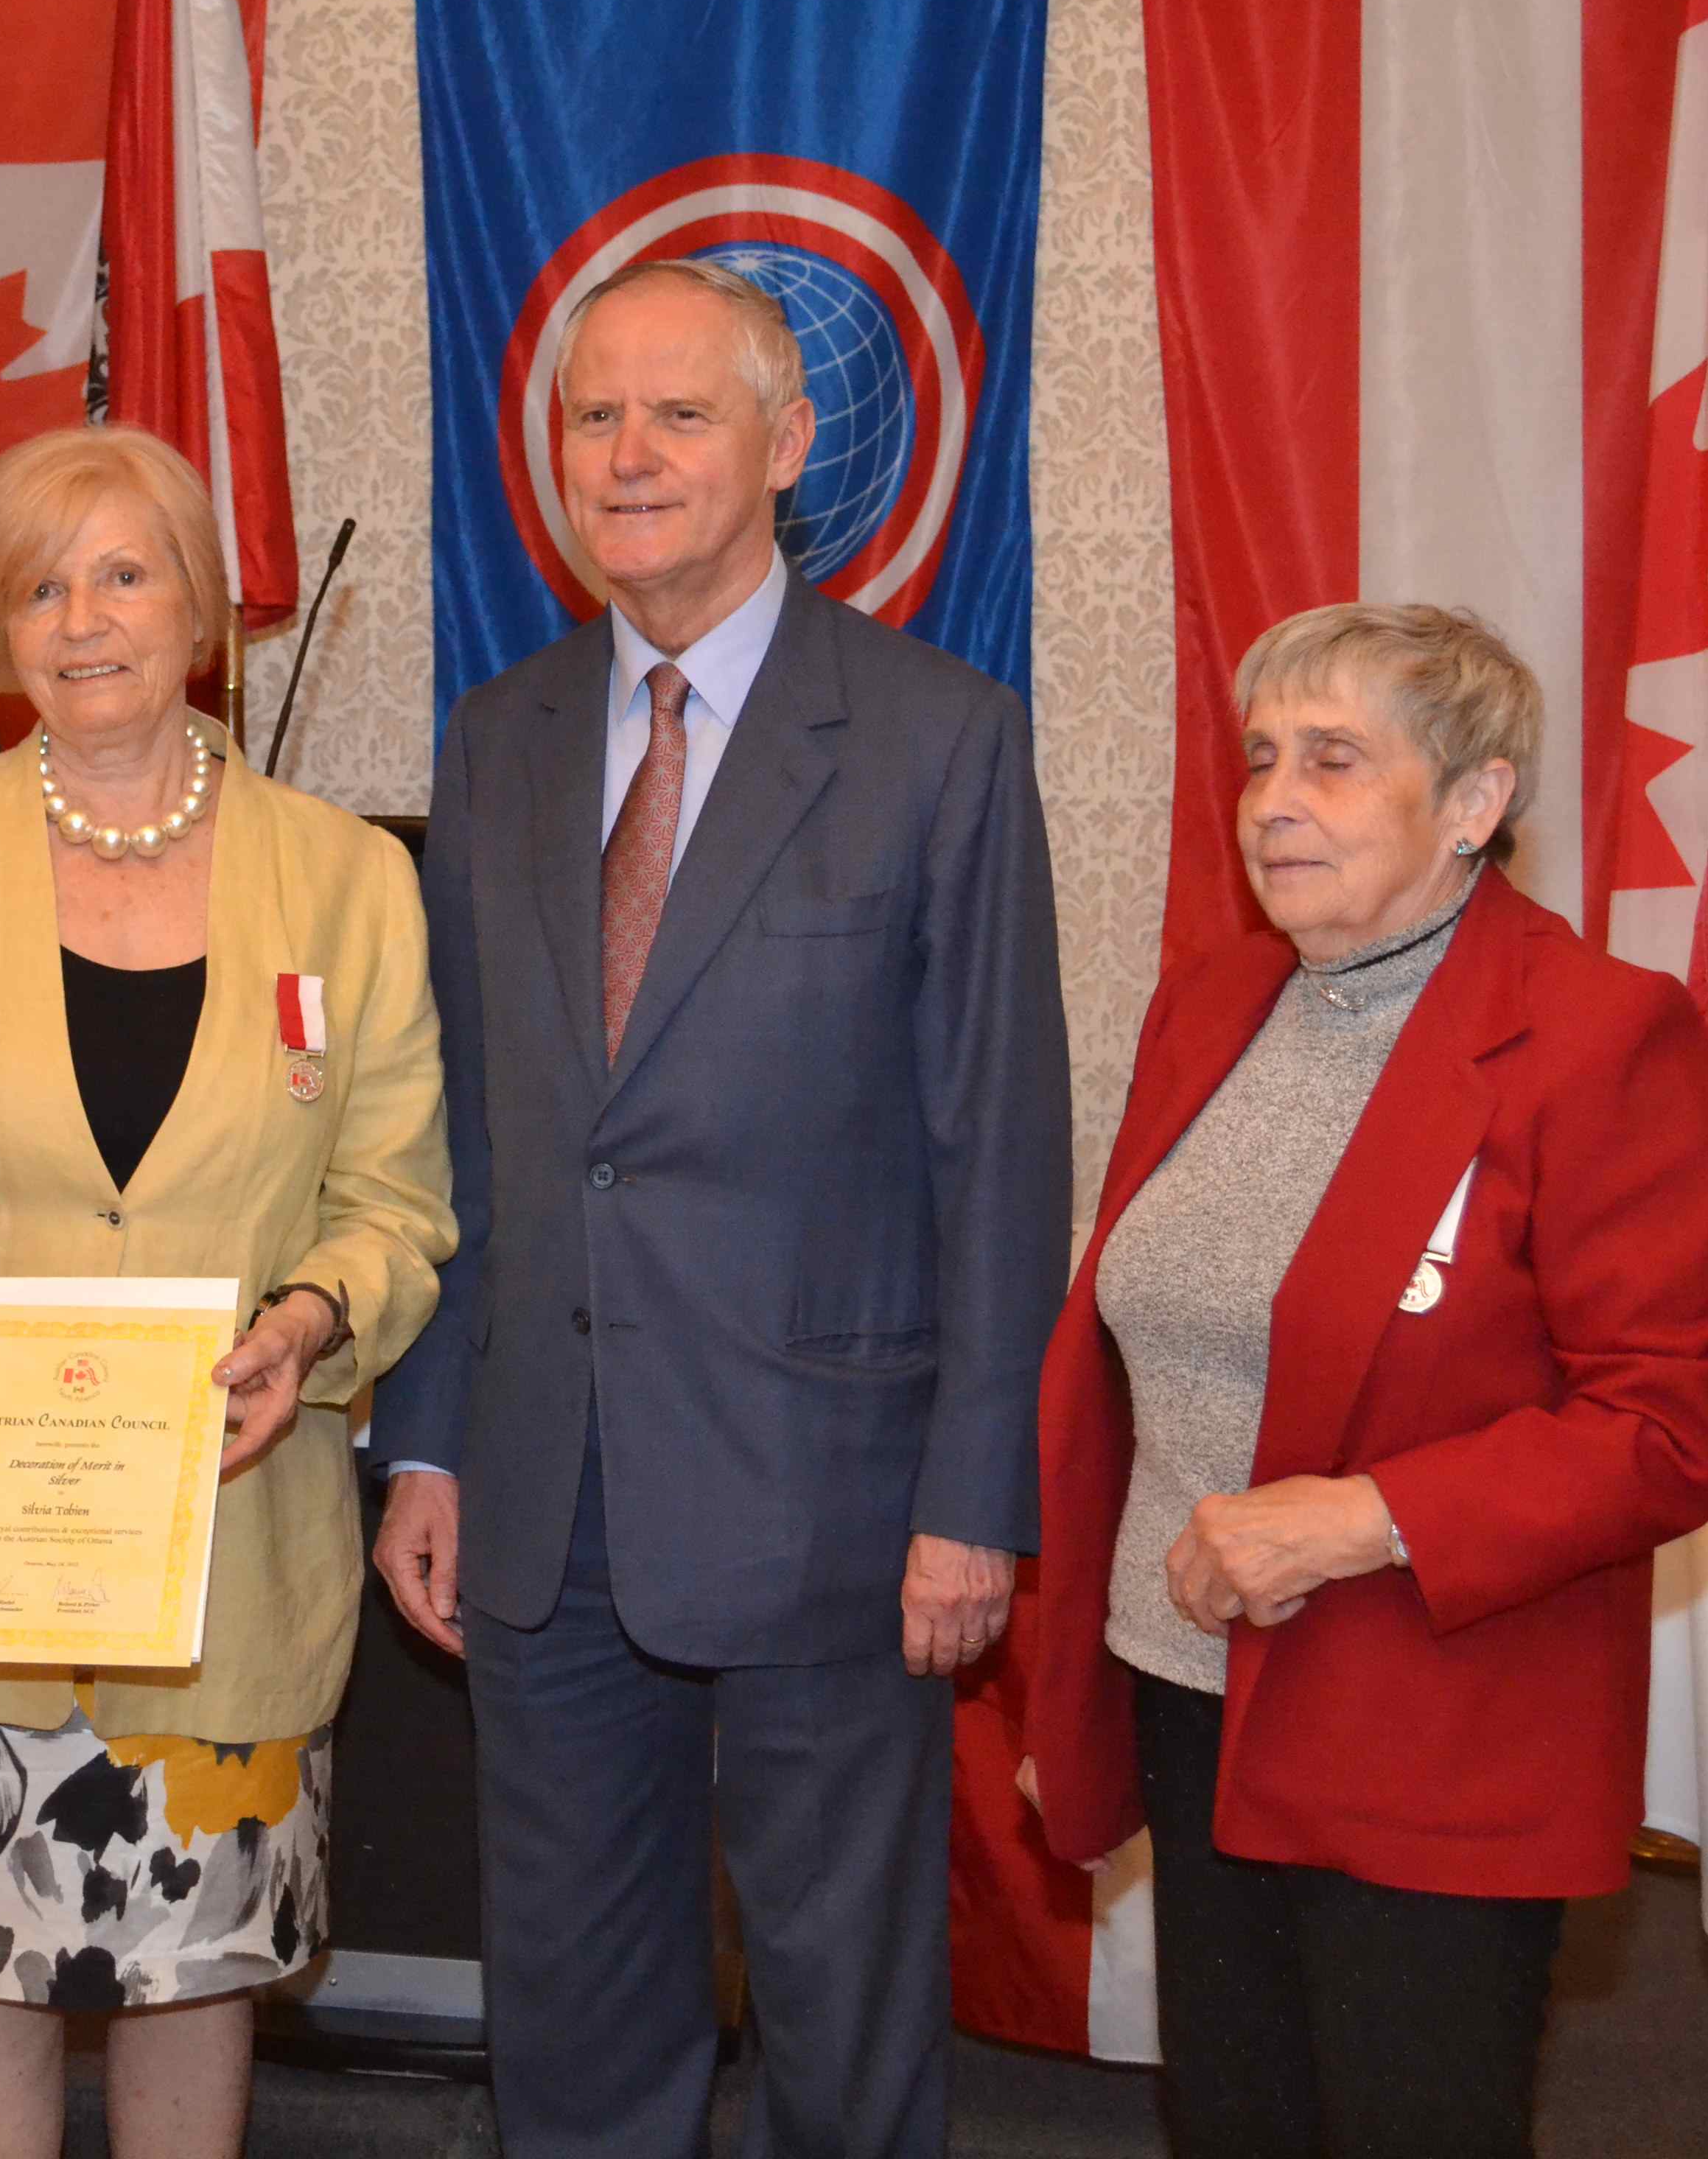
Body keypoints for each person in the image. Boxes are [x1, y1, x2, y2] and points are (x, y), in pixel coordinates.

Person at [368, 258, 1073, 2158]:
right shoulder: (497, 741)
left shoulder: (937, 738)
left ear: (788, 441)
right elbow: (476, 1141)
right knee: (578, 2030)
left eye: (680, 413)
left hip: (834, 1506)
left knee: (845, 2036)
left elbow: (997, 1146)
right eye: (595, 415)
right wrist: (424, 1447)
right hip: (548, 1504)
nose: (629, 453)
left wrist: (973, 1498)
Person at [0, 424, 454, 2158]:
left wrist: (307, 1327)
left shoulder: (344, 879)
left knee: (195, 1983)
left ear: (199, 607)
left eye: (126, 573)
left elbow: (396, 1206)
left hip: (228, 1548)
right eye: (39, 585)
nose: (84, 618)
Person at [1021, 602, 1708, 2159]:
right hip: (1188, 1695)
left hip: (1426, 1712)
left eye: (1336, 761)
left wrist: (1363, 1515)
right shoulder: (1215, 1004)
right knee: (1233, 2120)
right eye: (1264, 756)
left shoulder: (1595, 1038)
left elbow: (1668, 1427)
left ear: (1474, 806)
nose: (1276, 797)